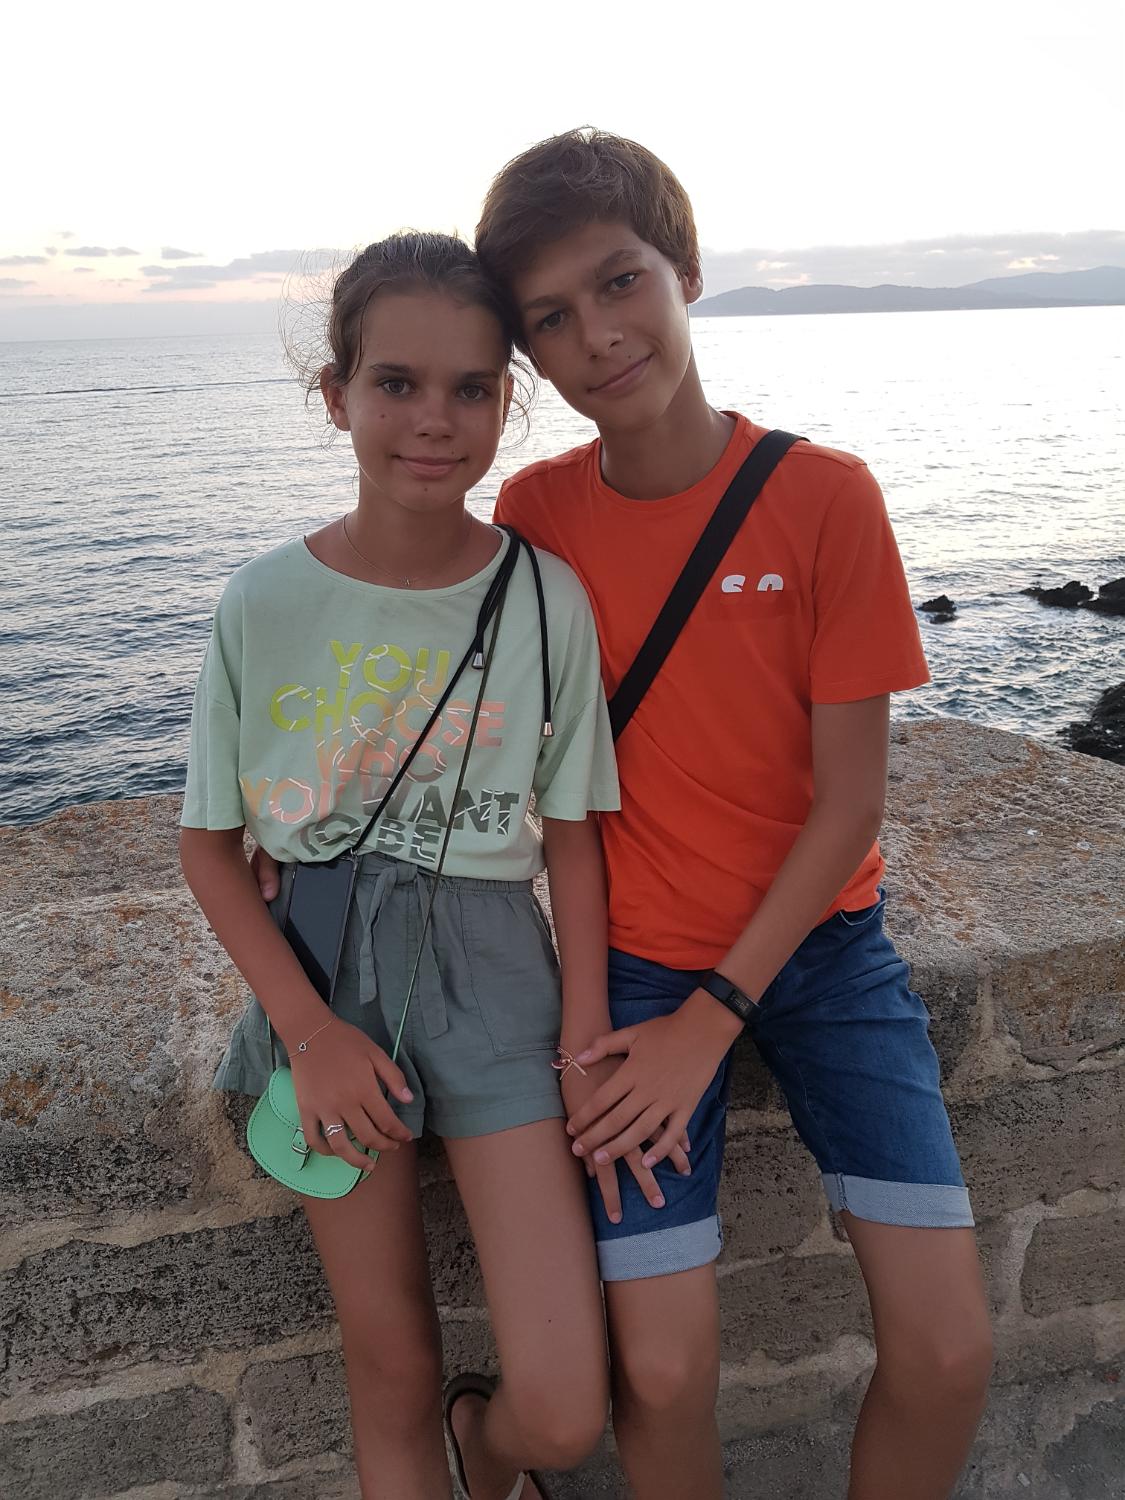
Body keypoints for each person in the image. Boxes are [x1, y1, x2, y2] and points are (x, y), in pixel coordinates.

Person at [473, 129, 995, 1500]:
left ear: (685, 271)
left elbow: (850, 804)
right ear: (530, 355)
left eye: (620, 281)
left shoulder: (825, 499)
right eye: (551, 318)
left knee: (948, 1351)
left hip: (823, 956)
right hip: (636, 965)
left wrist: (709, 1025)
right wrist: (304, 829)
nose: (598, 334)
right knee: (657, 1372)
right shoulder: (535, 515)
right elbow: (524, 762)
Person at [180, 232, 629, 1500]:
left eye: (471, 388)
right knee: (387, 1368)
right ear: (338, 396)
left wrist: (585, 1031)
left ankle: (486, 1451)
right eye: (396, 383)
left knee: (564, 1406)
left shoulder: (545, 597)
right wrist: (307, 1029)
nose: (434, 420)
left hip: (496, 978)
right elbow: (209, 847)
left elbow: (575, 833)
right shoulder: (262, 603)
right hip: (323, 971)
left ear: (506, 402)